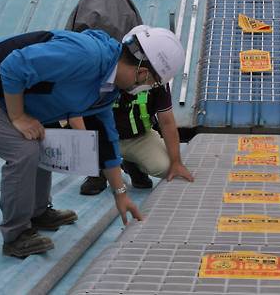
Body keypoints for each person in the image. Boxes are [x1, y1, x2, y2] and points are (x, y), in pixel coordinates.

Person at [0, 25, 184, 258]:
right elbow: (14, 66)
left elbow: (107, 140)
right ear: (141, 71)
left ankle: (38, 212)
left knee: (42, 139)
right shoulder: (85, 54)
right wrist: (18, 117)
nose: (145, 88)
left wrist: (121, 194)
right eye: (150, 83)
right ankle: (16, 235)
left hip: (6, 94)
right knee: (23, 151)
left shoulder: (107, 89)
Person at [77, 26, 194, 195]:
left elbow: (167, 122)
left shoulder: (156, 82)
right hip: (102, 138)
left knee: (165, 167)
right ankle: (98, 172)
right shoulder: (108, 72)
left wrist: (177, 162)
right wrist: (86, 146)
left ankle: (132, 164)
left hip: (138, 138)